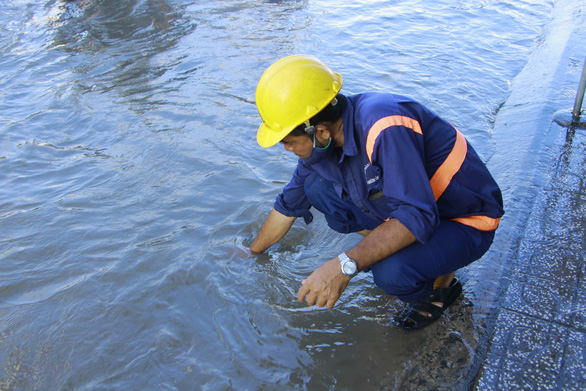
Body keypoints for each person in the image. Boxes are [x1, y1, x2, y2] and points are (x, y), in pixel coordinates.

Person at [249, 55, 504, 330]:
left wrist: (344, 264)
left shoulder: (384, 127)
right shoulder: (324, 143)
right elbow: (287, 206)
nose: (287, 149)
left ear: (319, 131)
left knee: (391, 274)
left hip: (464, 218)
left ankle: (439, 287)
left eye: (288, 142)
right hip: (420, 208)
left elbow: (417, 215)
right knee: (315, 188)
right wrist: (250, 253)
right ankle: (405, 250)